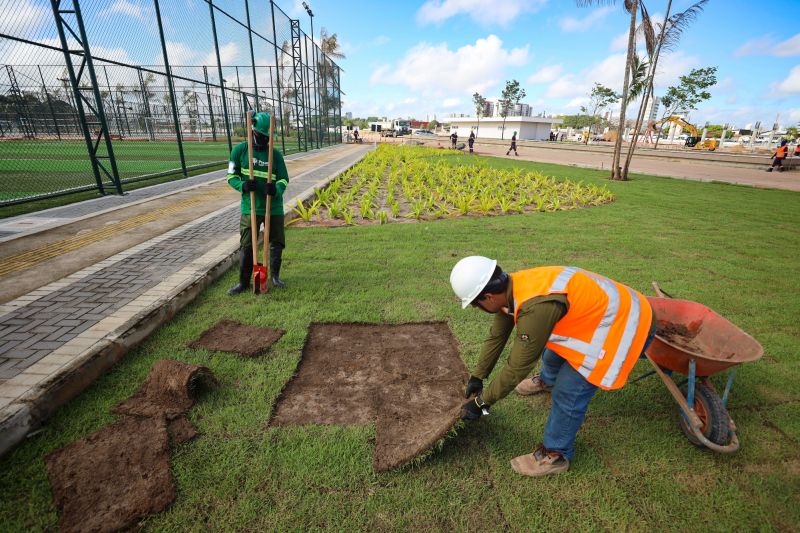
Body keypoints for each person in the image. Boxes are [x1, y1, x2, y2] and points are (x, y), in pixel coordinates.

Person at [450, 256, 656, 477]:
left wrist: (482, 403)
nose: (476, 308)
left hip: (626, 323)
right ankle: (548, 381)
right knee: (553, 349)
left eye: (475, 304)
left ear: (488, 297)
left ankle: (556, 455)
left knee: (569, 390)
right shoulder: (513, 288)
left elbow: (517, 368)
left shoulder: (536, 306)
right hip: (601, 312)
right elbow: (497, 336)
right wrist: (478, 376)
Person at [226, 111, 289, 295]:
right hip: (250, 207)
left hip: (273, 207)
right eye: (262, 136)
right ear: (253, 131)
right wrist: (243, 185)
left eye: (268, 137)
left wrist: (276, 189)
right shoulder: (240, 151)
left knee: (276, 242)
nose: (264, 140)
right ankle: (244, 282)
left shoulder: (275, 155)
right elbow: (231, 176)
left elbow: (284, 179)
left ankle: (274, 277)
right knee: (247, 244)